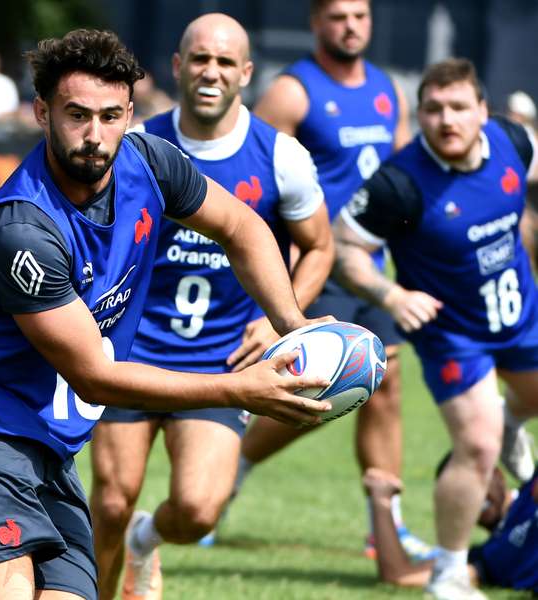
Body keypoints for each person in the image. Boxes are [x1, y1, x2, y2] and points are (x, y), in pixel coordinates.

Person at [0, 29, 333, 600]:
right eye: (76, 115)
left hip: (46, 441)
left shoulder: (150, 162)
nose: (94, 135)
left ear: (131, 113)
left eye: (110, 116)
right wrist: (239, 390)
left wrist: (291, 322)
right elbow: (94, 375)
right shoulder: (22, 228)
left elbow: (242, 226)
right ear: (41, 112)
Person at [89, 14, 333, 600]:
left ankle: (149, 541)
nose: (210, 72)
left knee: (199, 511)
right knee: (113, 499)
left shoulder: (280, 157)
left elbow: (319, 246)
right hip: (133, 352)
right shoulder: (134, 143)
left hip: (224, 359)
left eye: (225, 62)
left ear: (246, 74)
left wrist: (278, 316)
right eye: (199, 58)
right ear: (177, 66)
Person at [332, 57, 538, 599]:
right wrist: (390, 293)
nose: (447, 120)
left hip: (518, 312)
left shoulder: (515, 142)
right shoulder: (399, 184)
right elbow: (344, 248)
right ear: (419, 114)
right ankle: (448, 574)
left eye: (459, 108)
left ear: (483, 112)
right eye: (433, 109)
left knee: (521, 410)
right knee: (476, 444)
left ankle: (513, 419)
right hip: (452, 332)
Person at [230, 0, 428, 559]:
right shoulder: (294, 91)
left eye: (361, 16)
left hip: (368, 265)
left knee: (384, 385)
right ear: (316, 22)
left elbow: (403, 180)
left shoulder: (389, 90)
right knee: (315, 391)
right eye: (338, 16)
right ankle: (232, 470)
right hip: (316, 262)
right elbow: (253, 183)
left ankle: (385, 524)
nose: (351, 26)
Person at [363, 461, 537, 595]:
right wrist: (381, 500)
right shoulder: (489, 558)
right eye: (457, 494)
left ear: (497, 474)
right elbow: (400, 575)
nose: (470, 496)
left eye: (474, 480)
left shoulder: (530, 486)